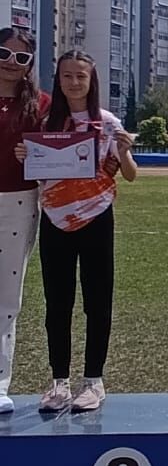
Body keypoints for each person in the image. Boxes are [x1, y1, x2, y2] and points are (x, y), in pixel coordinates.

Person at [20, 51, 137, 413]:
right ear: (58, 79)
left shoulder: (106, 122)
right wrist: (26, 154)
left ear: (92, 80)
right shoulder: (43, 120)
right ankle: (58, 383)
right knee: (58, 304)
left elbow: (129, 174)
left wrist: (125, 151)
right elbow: (36, 169)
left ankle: (93, 381)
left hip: (98, 218)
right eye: (67, 76)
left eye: (80, 77)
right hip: (55, 219)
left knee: (97, 302)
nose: (74, 83)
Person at [0, 28, 49, 414]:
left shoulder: (42, 104)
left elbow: (58, 152)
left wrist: (31, 156)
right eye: (4, 53)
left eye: (22, 58)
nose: (11, 63)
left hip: (17, 201)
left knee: (6, 297)